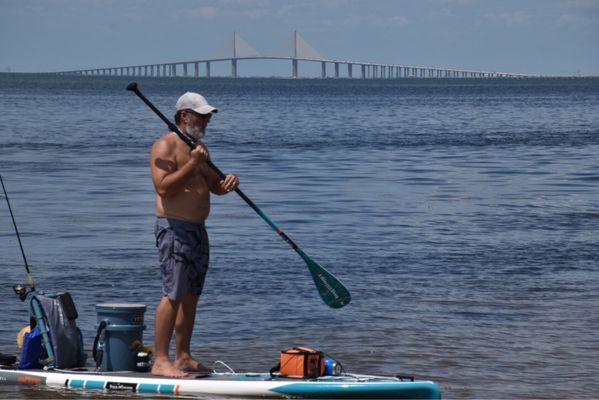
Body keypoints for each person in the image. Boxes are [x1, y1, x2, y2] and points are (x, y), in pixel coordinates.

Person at [150, 92, 239, 377]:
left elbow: (212, 184)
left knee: (190, 295)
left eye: (208, 116)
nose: (207, 120)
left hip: (198, 231)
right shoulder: (165, 145)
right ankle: (161, 360)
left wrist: (226, 184)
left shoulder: (199, 148)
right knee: (172, 294)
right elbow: (163, 187)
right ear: (184, 116)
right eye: (201, 115)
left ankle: (183, 356)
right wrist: (191, 163)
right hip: (174, 228)